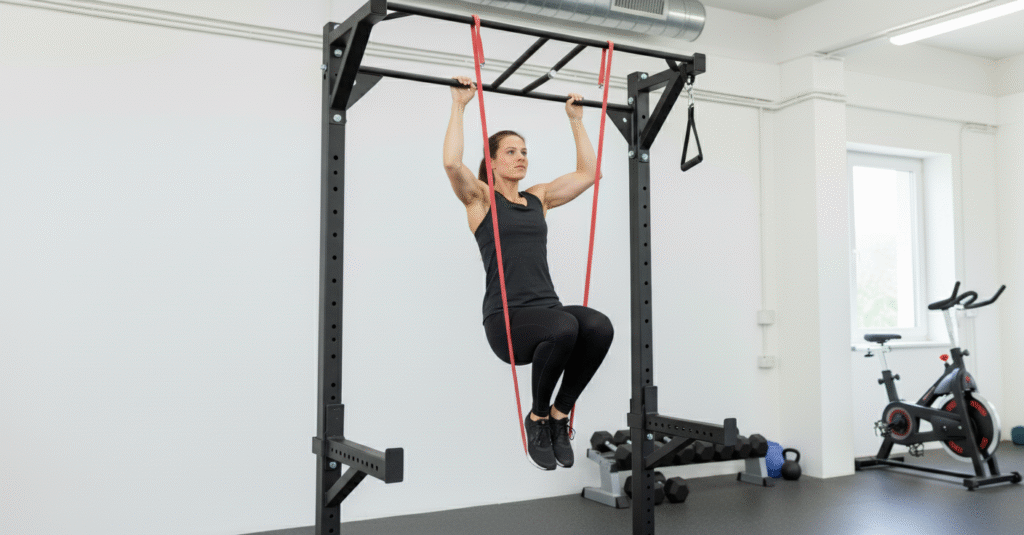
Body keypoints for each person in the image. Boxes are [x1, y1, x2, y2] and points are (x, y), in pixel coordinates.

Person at [442, 76, 614, 471]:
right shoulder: (480, 199)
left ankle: (558, 417)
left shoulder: (538, 198)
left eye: (524, 151)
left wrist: (575, 120)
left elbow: (590, 174)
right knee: (565, 327)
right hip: (506, 321)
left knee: (599, 326)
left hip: (546, 311)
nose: (521, 157)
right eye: (511, 151)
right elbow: (452, 163)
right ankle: (536, 418)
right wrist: (460, 105)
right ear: (493, 160)